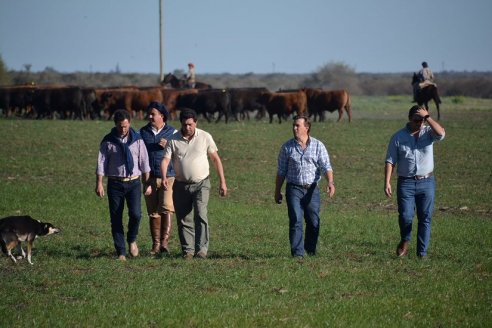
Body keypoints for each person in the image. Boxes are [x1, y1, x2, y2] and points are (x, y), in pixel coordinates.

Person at [160, 108, 227, 259]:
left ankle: (201, 250)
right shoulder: (173, 139)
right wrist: (164, 176)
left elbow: (216, 159)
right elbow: (165, 160)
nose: (187, 128)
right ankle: (188, 251)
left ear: (195, 122)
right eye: (185, 125)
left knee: (201, 214)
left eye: (190, 124)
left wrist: (222, 182)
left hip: (201, 183)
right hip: (181, 184)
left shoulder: (205, 136)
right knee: (184, 218)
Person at [384, 105, 445, 258]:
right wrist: (387, 182)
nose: (420, 123)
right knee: (405, 215)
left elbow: (441, 134)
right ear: (410, 119)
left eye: (422, 120)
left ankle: (422, 253)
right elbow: (390, 161)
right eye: (417, 120)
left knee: (425, 217)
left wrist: (428, 117)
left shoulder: (429, 133)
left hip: (427, 182)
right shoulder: (398, 137)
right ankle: (405, 239)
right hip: (406, 183)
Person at [275, 115, 335, 259]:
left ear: (306, 128)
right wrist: (277, 191)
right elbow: (281, 171)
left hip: (312, 189)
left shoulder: (318, 145)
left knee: (313, 221)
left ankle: (310, 250)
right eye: (294, 125)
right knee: (296, 219)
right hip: (293, 189)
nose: (294, 128)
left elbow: (326, 166)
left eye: (297, 125)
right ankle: (298, 254)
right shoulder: (287, 147)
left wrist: (330, 182)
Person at [96, 109, 151, 261]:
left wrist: (147, 183)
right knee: (116, 217)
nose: (123, 129)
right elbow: (101, 163)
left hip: (133, 182)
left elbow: (144, 162)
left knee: (136, 214)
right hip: (115, 183)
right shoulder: (108, 141)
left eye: (126, 126)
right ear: (115, 125)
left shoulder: (137, 139)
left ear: (130, 124)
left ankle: (132, 239)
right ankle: (121, 251)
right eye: (120, 126)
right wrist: (99, 183)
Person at [140, 102, 177, 255]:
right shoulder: (142, 132)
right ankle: (155, 245)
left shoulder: (173, 132)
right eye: (149, 114)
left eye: (153, 114)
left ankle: (164, 243)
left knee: (167, 207)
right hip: (149, 177)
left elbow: (180, 151)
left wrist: (168, 144)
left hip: (168, 176)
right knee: (153, 211)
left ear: (162, 116)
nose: (150, 116)